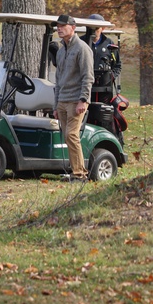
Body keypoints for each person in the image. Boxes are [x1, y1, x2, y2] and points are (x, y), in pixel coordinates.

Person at [53, 14, 94, 182]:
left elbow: (88, 77)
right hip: (62, 100)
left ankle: (80, 174)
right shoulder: (61, 50)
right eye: (58, 26)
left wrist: (83, 100)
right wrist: (55, 105)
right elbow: (58, 79)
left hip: (76, 100)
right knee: (67, 136)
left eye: (63, 26)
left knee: (71, 135)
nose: (59, 29)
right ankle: (75, 172)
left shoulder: (82, 48)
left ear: (73, 27)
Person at [85, 14, 121, 104]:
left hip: (104, 88)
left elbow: (117, 65)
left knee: (103, 112)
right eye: (90, 29)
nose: (93, 32)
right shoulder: (81, 42)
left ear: (103, 29)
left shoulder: (109, 44)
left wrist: (111, 76)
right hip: (85, 87)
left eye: (96, 29)